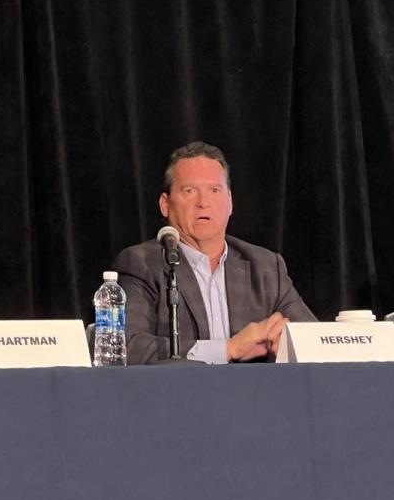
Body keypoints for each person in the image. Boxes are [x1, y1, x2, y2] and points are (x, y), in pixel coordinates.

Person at [112, 141, 315, 365]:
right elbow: (126, 346)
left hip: (255, 396)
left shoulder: (266, 267)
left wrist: (287, 340)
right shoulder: (142, 264)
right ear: (165, 204)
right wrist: (229, 349)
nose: (203, 202)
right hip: (178, 397)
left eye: (214, 190)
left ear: (230, 203)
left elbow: (313, 341)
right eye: (189, 191)